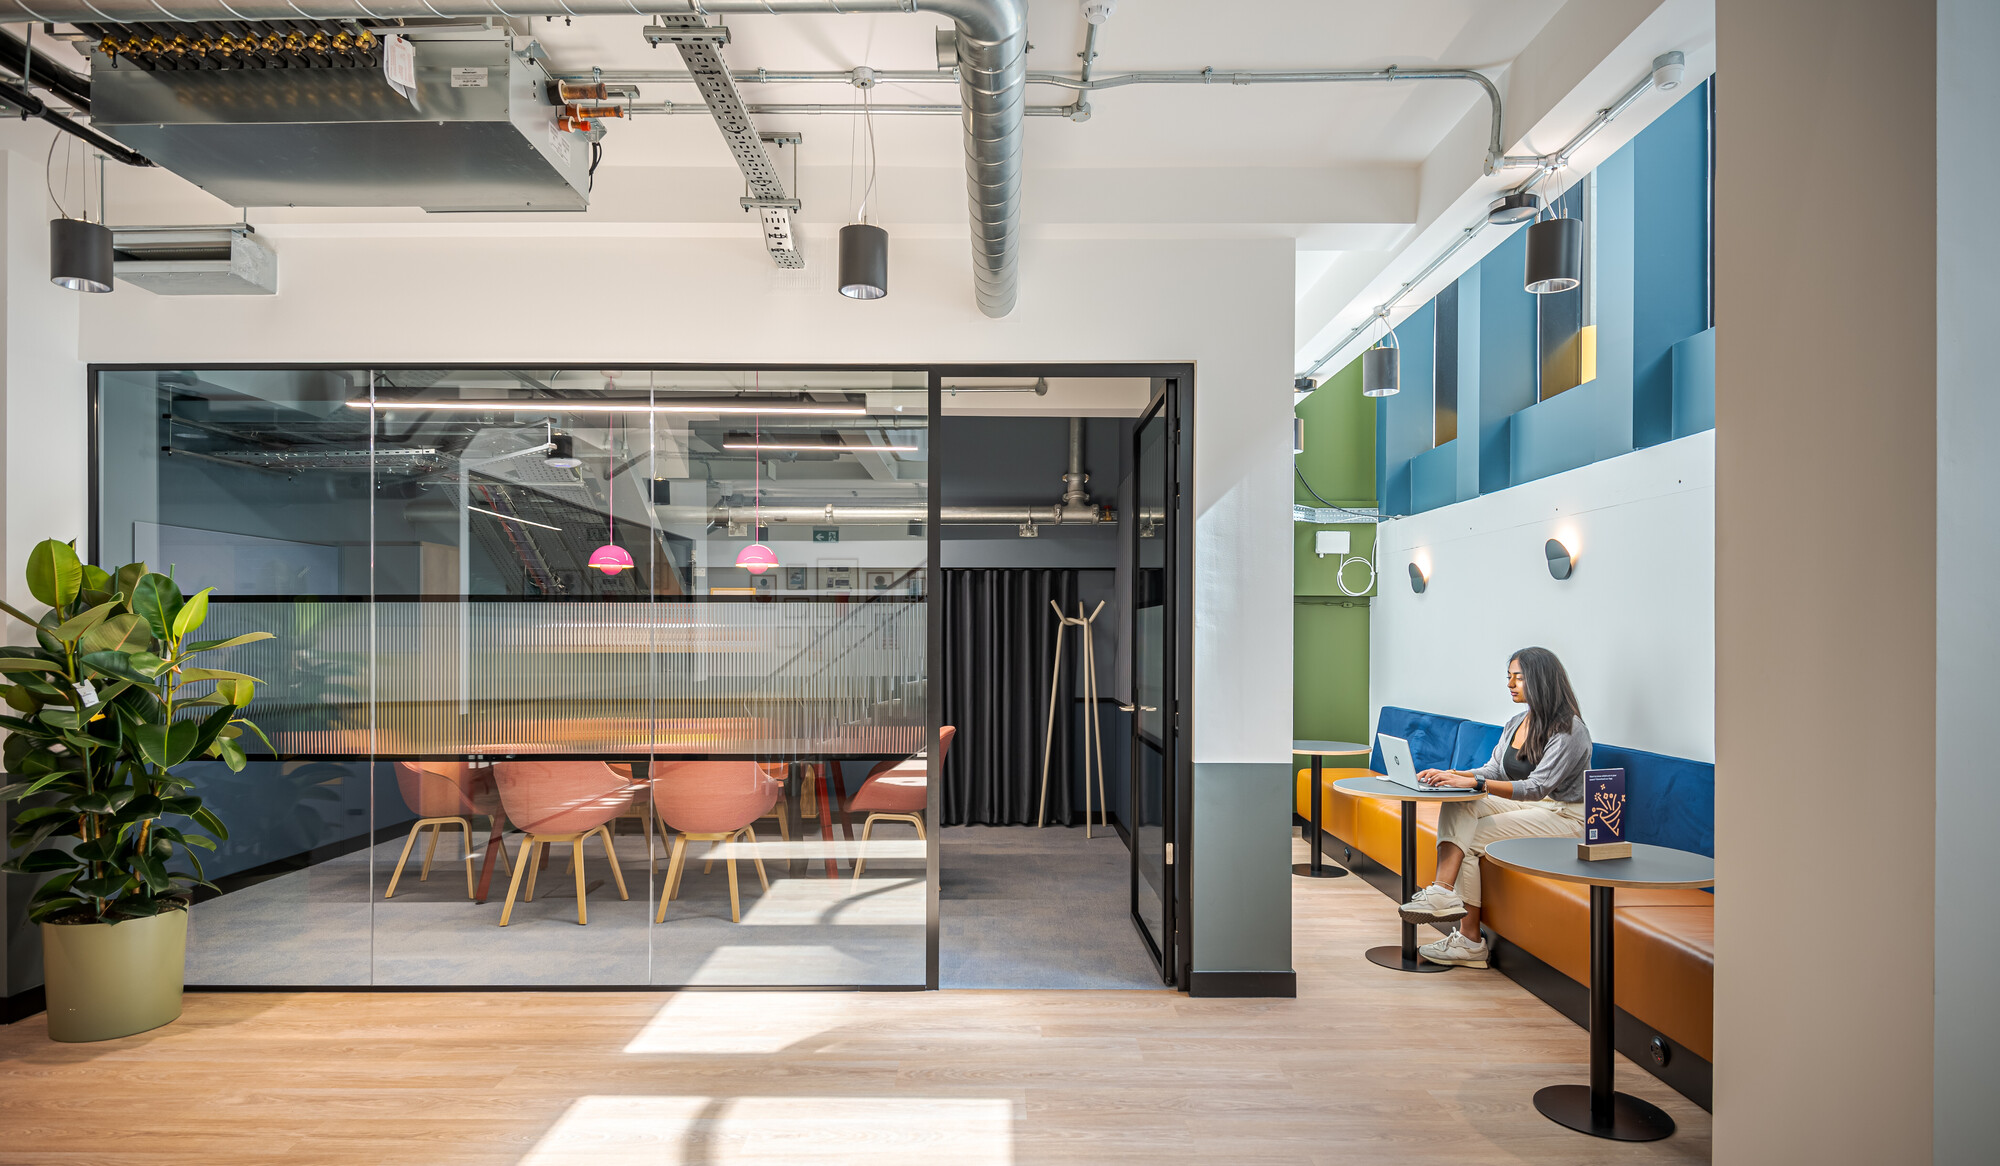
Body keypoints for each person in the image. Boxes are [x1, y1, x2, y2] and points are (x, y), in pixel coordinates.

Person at [1397, 646, 1591, 969]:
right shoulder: (1517, 722)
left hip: (1567, 817)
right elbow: (1493, 771)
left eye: (1518, 677)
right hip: (1533, 808)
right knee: (1461, 803)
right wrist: (1454, 776)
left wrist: (1476, 784)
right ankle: (1443, 892)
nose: (1510, 684)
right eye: (1509, 677)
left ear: (1540, 681)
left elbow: (1536, 787)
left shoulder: (1570, 731)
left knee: (1475, 834)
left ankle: (1470, 940)